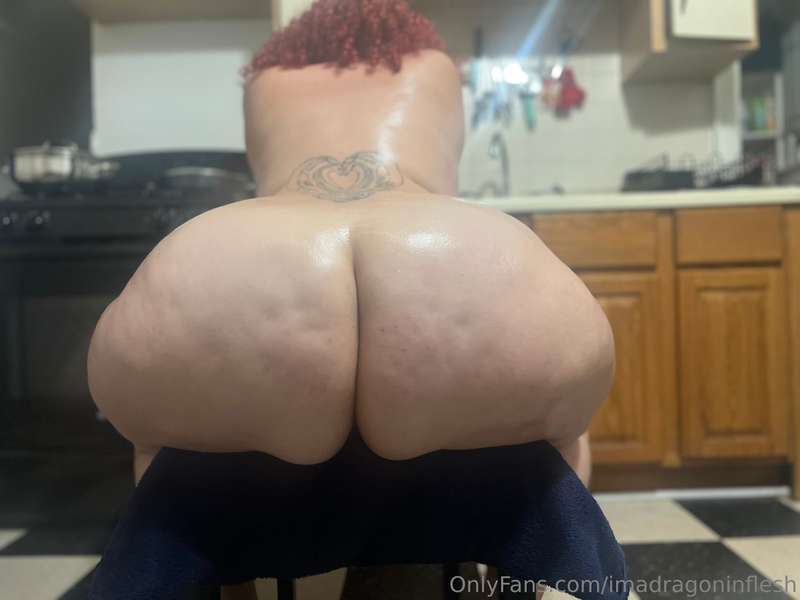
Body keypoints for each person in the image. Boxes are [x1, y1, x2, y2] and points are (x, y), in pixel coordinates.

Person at [87, 0, 615, 597]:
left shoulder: (266, 79)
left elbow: (268, 181)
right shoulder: (434, 64)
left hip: (240, 258)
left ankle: (217, 581)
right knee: (560, 433)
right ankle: (519, 584)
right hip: (451, 253)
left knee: (161, 442)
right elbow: (442, 183)